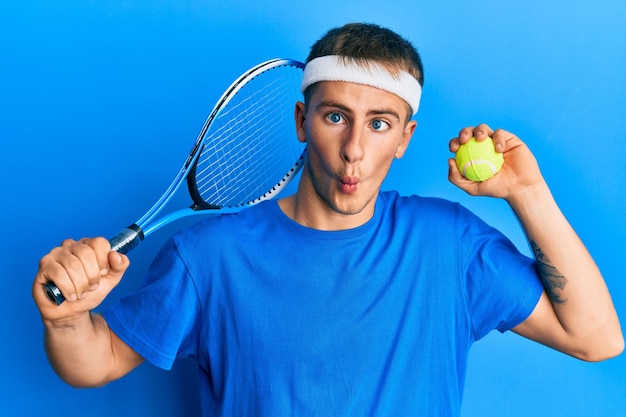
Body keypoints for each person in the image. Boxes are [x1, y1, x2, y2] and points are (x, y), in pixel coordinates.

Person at [32, 23, 623, 416]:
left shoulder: (450, 243)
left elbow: (597, 339)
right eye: (336, 117)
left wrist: (528, 192)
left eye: (380, 123)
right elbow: (97, 363)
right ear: (301, 121)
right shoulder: (209, 256)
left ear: (405, 139)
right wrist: (67, 321)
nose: (355, 151)